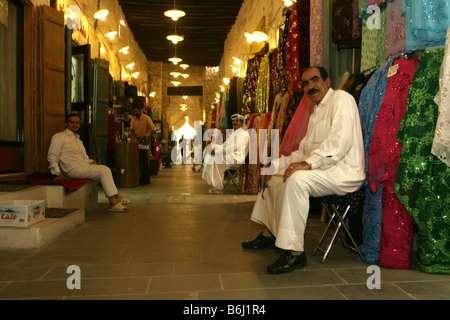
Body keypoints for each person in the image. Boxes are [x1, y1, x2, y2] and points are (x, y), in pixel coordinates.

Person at [242, 67, 365, 274]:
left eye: (314, 80)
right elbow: (303, 151)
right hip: (324, 169)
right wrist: (276, 164)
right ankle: (269, 233)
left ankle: (295, 254)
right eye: (305, 83)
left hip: (344, 171)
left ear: (327, 81)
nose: (310, 87)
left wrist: (308, 165)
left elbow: (340, 141)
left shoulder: (341, 99)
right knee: (275, 178)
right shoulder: (316, 112)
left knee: (297, 180)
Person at [47, 113, 131, 212]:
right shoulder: (59, 136)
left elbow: (84, 158)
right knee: (105, 170)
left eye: (77, 122)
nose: (75, 125)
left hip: (82, 167)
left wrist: (91, 162)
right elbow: (52, 155)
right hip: (71, 169)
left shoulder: (78, 140)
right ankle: (113, 202)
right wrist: (57, 172)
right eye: (72, 122)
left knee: (102, 170)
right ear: (66, 124)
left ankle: (117, 196)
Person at [202, 114, 250, 194]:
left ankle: (218, 187)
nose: (235, 122)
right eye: (233, 121)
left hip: (237, 158)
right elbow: (225, 145)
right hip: (230, 155)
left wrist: (217, 151)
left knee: (217, 158)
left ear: (241, 123)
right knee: (211, 157)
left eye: (237, 121)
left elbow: (233, 148)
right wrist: (215, 148)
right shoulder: (235, 133)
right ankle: (215, 184)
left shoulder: (243, 134)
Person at [130, 104, 156, 185]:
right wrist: (133, 137)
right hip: (137, 140)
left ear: (140, 110)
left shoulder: (146, 119)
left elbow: (153, 129)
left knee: (144, 159)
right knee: (137, 159)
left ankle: (145, 179)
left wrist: (148, 138)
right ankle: (138, 178)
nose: (135, 113)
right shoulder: (133, 119)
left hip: (145, 140)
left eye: (136, 111)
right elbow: (132, 129)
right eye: (134, 111)